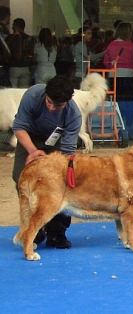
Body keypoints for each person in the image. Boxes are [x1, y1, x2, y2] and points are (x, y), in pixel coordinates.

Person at [12, 75, 82, 248]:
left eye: (58, 105)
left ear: (67, 101)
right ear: (45, 94)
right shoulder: (32, 95)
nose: (52, 108)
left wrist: (49, 164)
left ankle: (57, 232)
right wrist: (32, 151)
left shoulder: (73, 115)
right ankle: (34, 228)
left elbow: (66, 153)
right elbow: (19, 126)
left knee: (61, 184)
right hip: (30, 138)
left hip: (57, 145)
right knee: (21, 179)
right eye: (49, 102)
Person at [6, 18, 35, 87]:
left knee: (12, 90)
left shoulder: (11, 37)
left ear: (16, 26)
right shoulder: (30, 39)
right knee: (23, 91)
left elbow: (7, 50)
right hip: (26, 67)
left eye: (13, 25)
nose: (12, 27)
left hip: (14, 66)